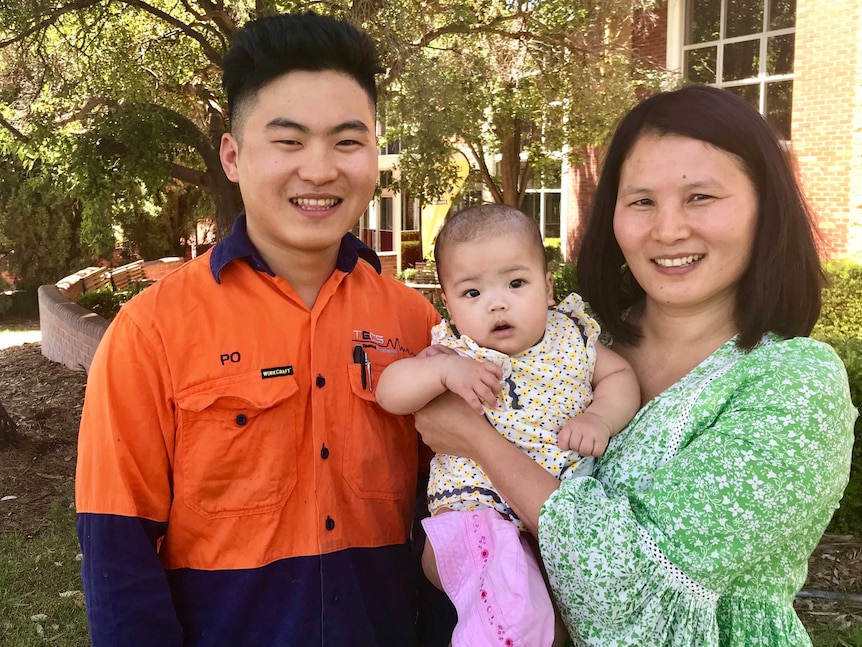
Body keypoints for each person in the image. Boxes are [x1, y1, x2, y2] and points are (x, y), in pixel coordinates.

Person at [411, 84, 858, 646]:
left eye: (701, 197)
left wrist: (477, 440)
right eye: (641, 201)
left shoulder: (794, 383)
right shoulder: (568, 340)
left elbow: (631, 591)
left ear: (765, 208)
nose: (668, 230)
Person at [75, 12, 439, 647]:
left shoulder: (417, 324)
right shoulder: (151, 331)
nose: (321, 170)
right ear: (234, 156)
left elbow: (458, 522)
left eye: (348, 141)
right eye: (289, 141)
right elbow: (117, 552)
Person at [377, 204, 640, 647]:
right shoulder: (454, 352)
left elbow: (620, 376)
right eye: (472, 293)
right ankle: (503, 627)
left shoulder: (571, 338)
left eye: (516, 283)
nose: (497, 302)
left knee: (540, 595)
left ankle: (512, 622)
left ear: (548, 287)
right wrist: (442, 375)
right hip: (476, 503)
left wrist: (599, 416)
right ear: (448, 304)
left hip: (556, 497)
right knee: (493, 570)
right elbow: (389, 391)